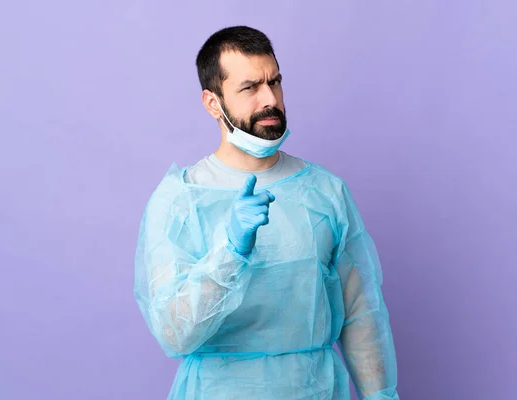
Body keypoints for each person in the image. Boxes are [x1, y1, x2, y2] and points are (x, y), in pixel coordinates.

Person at [134, 25, 400, 399]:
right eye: (249, 88)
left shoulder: (325, 192)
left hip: (316, 390)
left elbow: (360, 315)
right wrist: (230, 253)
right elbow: (174, 331)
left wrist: (380, 395)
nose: (269, 99)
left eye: (274, 82)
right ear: (213, 103)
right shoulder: (181, 200)